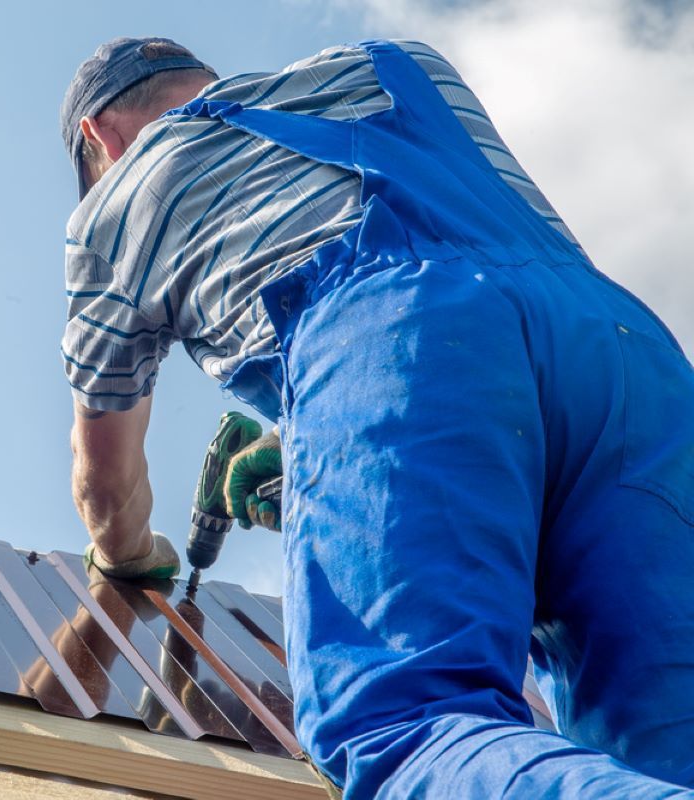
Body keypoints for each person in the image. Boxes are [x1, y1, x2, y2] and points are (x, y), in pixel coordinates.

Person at [59, 36, 694, 797]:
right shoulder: (389, 65)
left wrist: (128, 556)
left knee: (405, 725)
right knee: (672, 737)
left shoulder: (114, 208)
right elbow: (480, 299)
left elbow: (106, 480)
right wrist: (317, 450)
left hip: (395, 338)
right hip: (622, 354)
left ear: (99, 135)